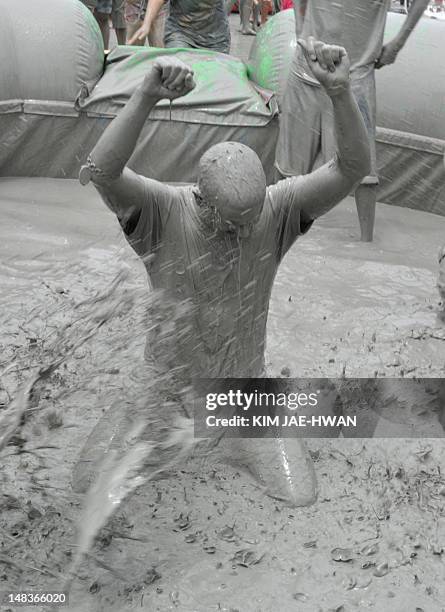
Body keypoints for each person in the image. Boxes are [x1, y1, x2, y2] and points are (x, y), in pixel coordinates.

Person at [78, 43, 370, 506]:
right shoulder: (160, 212)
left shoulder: (278, 210)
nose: (240, 234)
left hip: (241, 396)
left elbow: (352, 168)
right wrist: (146, 96)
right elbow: (101, 170)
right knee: (84, 483)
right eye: (229, 223)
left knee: (299, 498)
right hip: (164, 395)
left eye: (248, 222)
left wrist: (340, 93)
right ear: (199, 200)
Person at [276, 0, 430, 242]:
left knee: (364, 170)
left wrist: (398, 44)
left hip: (354, 70)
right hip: (308, 59)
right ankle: (278, 233)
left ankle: (366, 242)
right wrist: (298, 26)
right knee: (289, 165)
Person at [129, 0, 231, 53]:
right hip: (181, 33)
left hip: (216, 37)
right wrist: (147, 24)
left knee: (213, 79)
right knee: (179, 71)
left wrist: (226, 10)